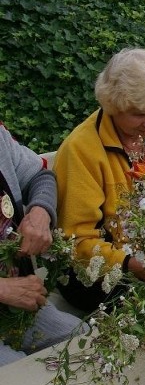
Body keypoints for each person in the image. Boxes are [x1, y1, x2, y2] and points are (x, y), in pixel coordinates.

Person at [54, 48, 145, 313]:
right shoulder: (81, 149)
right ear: (113, 105)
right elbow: (77, 242)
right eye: (139, 114)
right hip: (101, 271)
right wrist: (132, 264)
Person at [0, 123, 84, 366]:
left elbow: (39, 175)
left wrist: (40, 212)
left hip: (16, 307)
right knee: (15, 379)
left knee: (83, 340)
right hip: (8, 294)